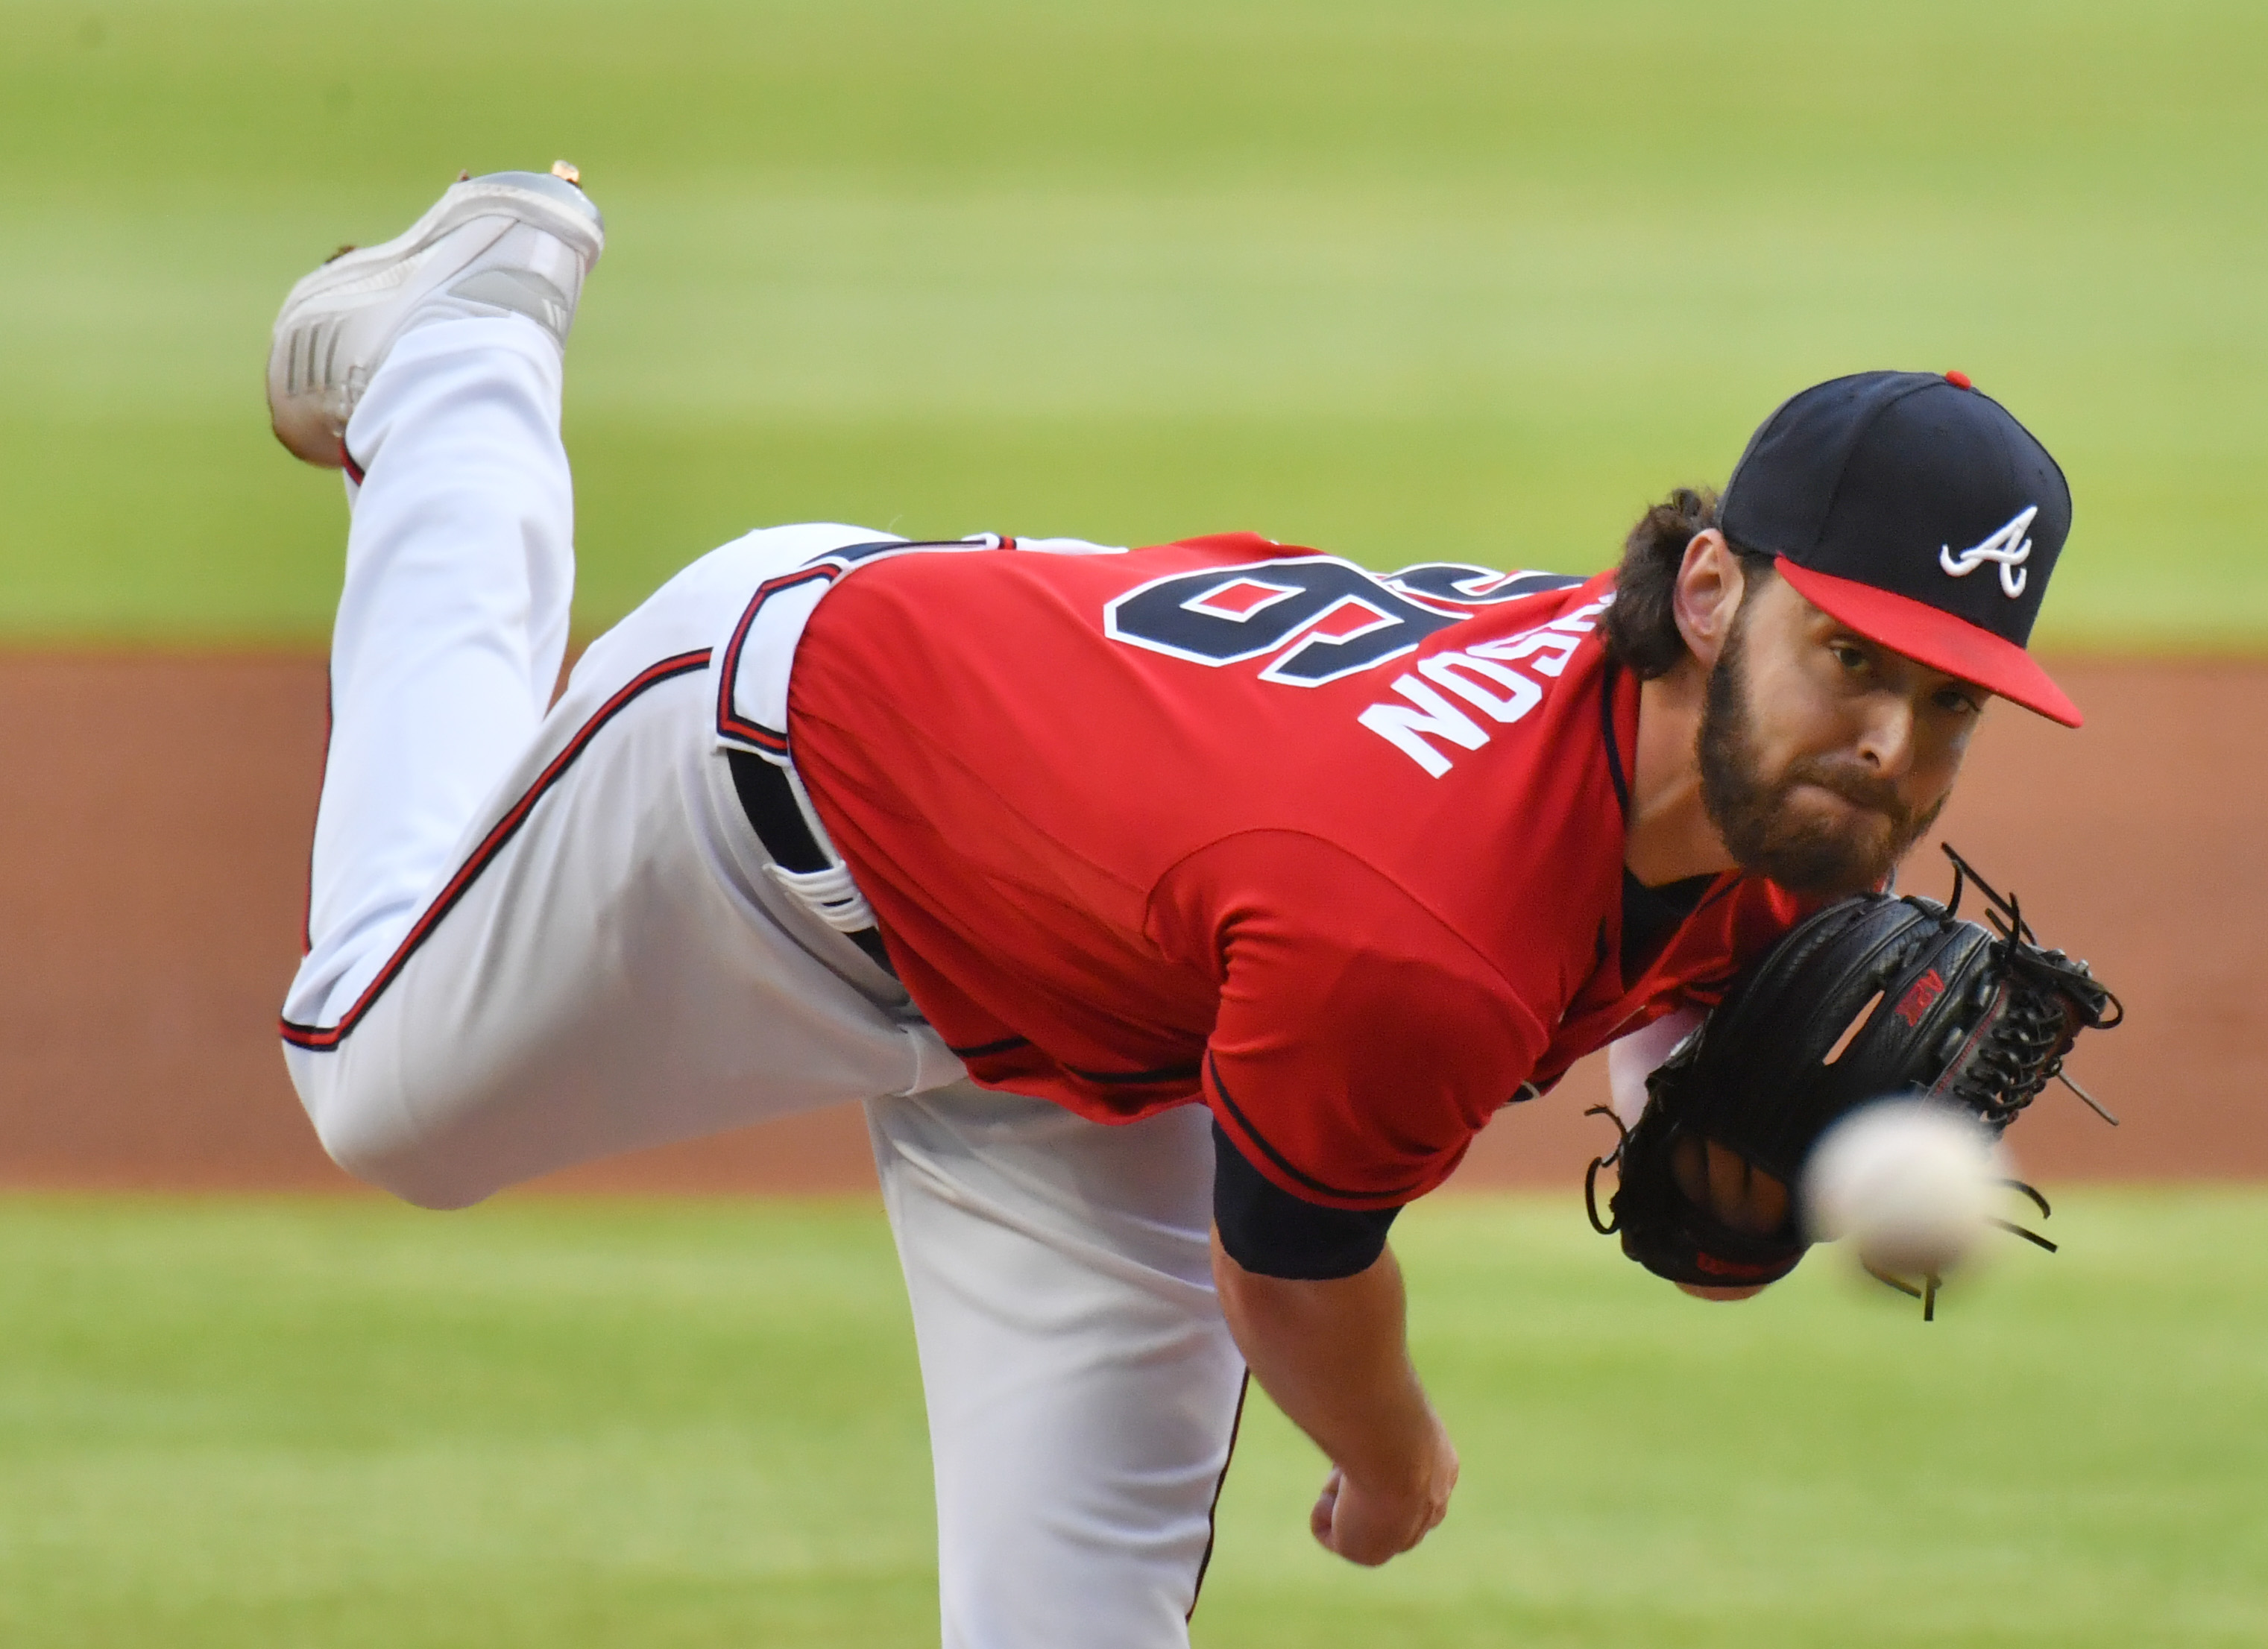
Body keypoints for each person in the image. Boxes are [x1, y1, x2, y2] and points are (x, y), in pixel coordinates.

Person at [264, 167, 2082, 1648]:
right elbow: (1294, 1279)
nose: (1890, 746)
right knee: (377, 1089)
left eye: (1948, 697)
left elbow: (1684, 986)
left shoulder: (1745, 781)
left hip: (1118, 1013)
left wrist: (1790, 1133)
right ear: (1710, 592)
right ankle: (462, 360)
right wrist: (1392, 1470)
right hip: (795, 765)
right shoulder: (1410, 932)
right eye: (1852, 656)